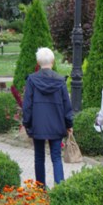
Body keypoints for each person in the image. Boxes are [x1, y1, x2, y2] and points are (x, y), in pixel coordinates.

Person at [22, 47, 73, 187]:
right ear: (52, 61)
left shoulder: (32, 80)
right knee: (56, 157)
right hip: (57, 124)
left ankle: (40, 189)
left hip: (38, 124)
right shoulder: (60, 80)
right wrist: (69, 124)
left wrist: (26, 123)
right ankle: (60, 188)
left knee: (39, 157)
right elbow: (67, 105)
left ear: (38, 62)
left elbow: (27, 105)